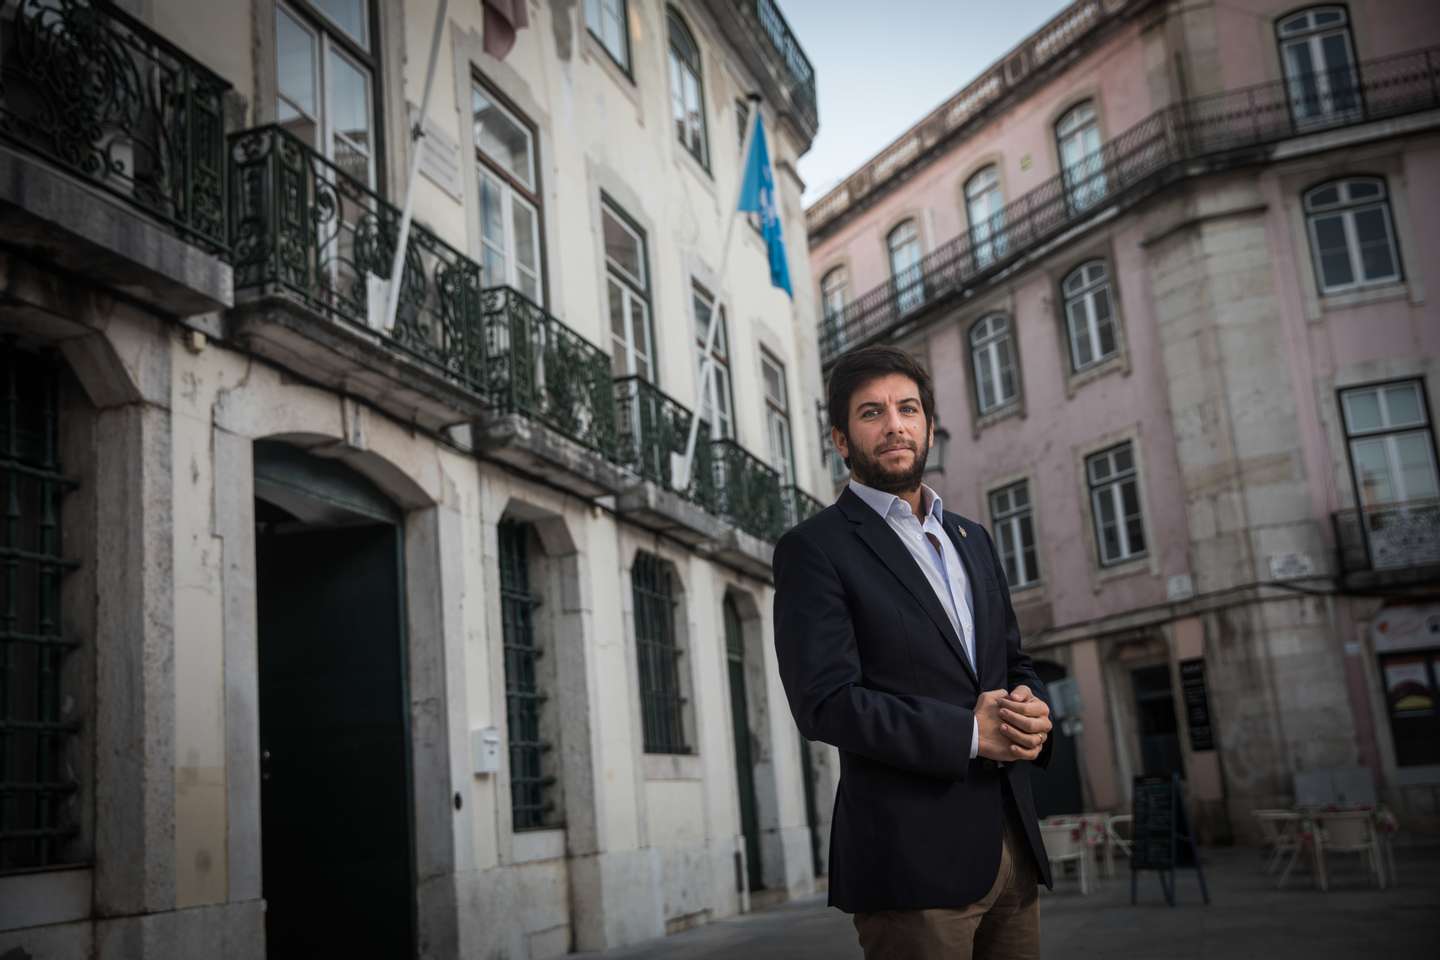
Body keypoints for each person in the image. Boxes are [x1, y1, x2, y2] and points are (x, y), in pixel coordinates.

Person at [773, 345, 1055, 959]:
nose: (894, 424)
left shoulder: (972, 539)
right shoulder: (814, 549)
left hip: (1012, 850)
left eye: (908, 409)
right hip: (911, 864)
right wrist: (970, 734)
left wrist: (1034, 708)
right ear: (842, 440)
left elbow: (1012, 662)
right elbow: (826, 703)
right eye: (871, 413)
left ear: (928, 424)